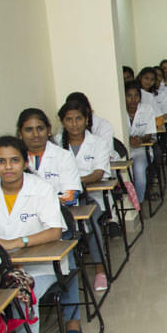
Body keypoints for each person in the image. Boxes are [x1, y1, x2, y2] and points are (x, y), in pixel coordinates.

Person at [0, 137, 64, 333]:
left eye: (14, 160)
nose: (8, 167)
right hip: (2, 268)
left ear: (25, 162)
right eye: (1, 161)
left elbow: (55, 231)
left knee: (22, 297)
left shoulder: (41, 188)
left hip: (39, 267)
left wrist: (17, 242)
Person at [16, 109, 85, 333]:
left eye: (40, 128)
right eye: (29, 129)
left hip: (57, 226)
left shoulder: (63, 156)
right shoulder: (13, 160)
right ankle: (12, 330)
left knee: (67, 258)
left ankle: (72, 319)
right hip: (22, 229)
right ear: (20, 133)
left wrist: (42, 201)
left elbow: (71, 196)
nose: (35, 134)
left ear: (48, 130)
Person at [56, 99, 111, 291]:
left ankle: (100, 270)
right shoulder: (56, 143)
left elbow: (98, 173)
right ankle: (62, 274)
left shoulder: (97, 142)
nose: (74, 124)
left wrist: (74, 183)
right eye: (69, 119)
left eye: (78, 118)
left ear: (86, 119)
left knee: (92, 220)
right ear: (62, 122)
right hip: (61, 198)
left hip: (90, 196)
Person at [124, 81, 157, 203]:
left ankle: (138, 202)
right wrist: (128, 140)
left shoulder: (147, 109)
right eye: (129, 96)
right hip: (123, 151)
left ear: (140, 97)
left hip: (141, 150)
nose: (133, 99)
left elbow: (149, 133)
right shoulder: (119, 111)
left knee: (139, 171)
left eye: (136, 95)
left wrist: (140, 139)